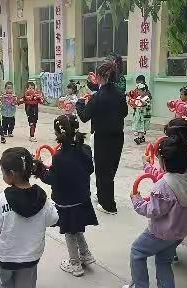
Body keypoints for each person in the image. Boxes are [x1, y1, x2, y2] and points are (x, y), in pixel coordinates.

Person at [126, 135, 187, 288]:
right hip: (179, 232)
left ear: (164, 161)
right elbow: (162, 175)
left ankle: (140, 286)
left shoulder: (163, 186)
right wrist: (147, 166)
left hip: (161, 233)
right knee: (163, 261)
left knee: (137, 252)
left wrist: (136, 200)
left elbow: (152, 210)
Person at [0, 147, 59, 288]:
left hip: (7, 258)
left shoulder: (2, 199)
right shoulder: (42, 199)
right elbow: (53, 219)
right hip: (31, 257)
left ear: (11, 174)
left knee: (5, 283)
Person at [33, 114, 97, 277]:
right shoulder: (85, 149)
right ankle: (86, 254)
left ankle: (75, 263)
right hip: (82, 198)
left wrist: (40, 170)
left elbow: (53, 179)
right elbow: (90, 169)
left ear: (58, 134)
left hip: (66, 201)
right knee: (76, 229)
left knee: (69, 231)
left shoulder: (59, 157)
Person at [76, 60, 129, 215]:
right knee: (109, 170)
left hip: (102, 138)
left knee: (102, 172)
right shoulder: (119, 93)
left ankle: (109, 206)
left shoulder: (98, 97)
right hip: (118, 137)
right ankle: (102, 197)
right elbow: (124, 113)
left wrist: (80, 103)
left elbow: (85, 116)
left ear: (100, 76)